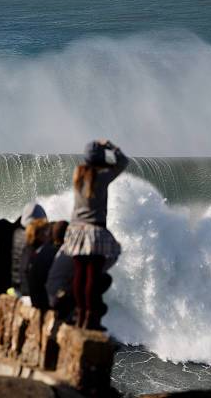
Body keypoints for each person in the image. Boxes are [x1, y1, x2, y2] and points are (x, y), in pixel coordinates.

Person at [62, 140, 128, 330]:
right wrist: (111, 146)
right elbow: (123, 162)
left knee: (79, 275)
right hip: (94, 231)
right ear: (100, 157)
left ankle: (79, 312)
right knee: (93, 276)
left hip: (76, 230)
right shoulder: (102, 176)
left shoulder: (78, 174)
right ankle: (89, 315)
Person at [20, 218, 57, 310]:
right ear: (38, 234)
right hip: (30, 295)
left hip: (29, 293)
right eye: (45, 231)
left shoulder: (30, 248)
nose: (48, 235)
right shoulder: (34, 251)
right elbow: (26, 271)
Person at [10, 203, 47, 295]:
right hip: (24, 288)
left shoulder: (16, 232)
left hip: (14, 283)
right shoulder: (32, 239)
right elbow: (26, 269)